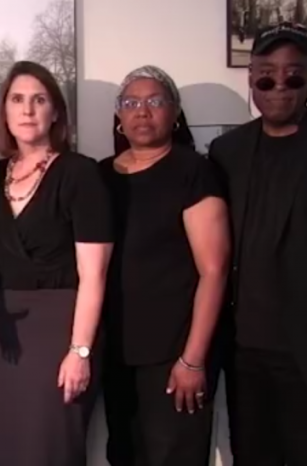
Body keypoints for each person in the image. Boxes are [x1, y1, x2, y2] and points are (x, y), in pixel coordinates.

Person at [0, 60, 112, 466]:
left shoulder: (80, 173)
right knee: (2, 447)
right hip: (0, 335)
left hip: (60, 333)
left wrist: (80, 351)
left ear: (56, 111)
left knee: (50, 449)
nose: (28, 109)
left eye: (39, 99)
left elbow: (94, 274)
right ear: (4, 110)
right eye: (17, 99)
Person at [99, 65, 230, 466]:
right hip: (117, 352)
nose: (142, 111)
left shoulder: (194, 171)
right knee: (124, 454)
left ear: (175, 113)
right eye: (131, 103)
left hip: (175, 356)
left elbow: (215, 270)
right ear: (119, 116)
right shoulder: (100, 175)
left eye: (155, 101)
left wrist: (193, 360)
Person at [210, 23, 307, 466]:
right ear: (251, 78)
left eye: (293, 75)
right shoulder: (227, 151)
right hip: (244, 355)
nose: (279, 85)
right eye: (266, 75)